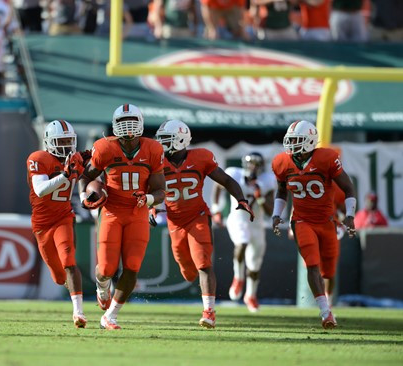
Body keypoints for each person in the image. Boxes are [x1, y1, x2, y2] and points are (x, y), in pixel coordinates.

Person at [153, 120, 254, 328]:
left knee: (203, 263)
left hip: (198, 216)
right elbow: (151, 188)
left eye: (166, 139)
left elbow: (226, 180)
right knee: (188, 271)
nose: (161, 144)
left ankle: (209, 311)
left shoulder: (201, 157)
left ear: (180, 140)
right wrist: (152, 207)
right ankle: (204, 298)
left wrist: (241, 199)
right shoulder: (157, 161)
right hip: (175, 221)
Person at [78, 103, 166, 330]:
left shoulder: (153, 149)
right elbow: (86, 177)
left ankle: (111, 316)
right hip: (112, 211)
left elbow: (160, 191)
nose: (128, 127)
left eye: (133, 121)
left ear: (142, 123)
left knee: (132, 266)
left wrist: (147, 199)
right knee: (106, 268)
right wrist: (84, 196)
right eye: (123, 121)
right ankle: (102, 285)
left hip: (137, 213)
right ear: (115, 125)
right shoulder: (105, 148)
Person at [271, 120, 357, 330]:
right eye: (290, 141)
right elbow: (282, 190)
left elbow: (348, 188)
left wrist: (350, 215)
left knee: (328, 272)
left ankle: (329, 306)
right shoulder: (282, 162)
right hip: (301, 220)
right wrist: (276, 214)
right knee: (312, 263)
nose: (292, 146)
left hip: (327, 222)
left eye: (297, 141)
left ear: (310, 141)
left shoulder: (326, 158)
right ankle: (325, 313)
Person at [26, 119, 88, 328]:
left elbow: (90, 172)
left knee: (69, 261)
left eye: (69, 141)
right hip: (42, 223)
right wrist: (64, 174)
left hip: (64, 217)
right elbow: (41, 190)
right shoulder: (38, 158)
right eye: (61, 141)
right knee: (58, 276)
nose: (66, 146)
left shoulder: (74, 159)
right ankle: (65, 286)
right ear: (49, 142)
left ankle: (78, 313)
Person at [211, 151, 275, 313]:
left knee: (254, 266)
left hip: (256, 224)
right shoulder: (235, 173)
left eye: (256, 164)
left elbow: (269, 211)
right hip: (238, 219)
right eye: (250, 163)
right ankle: (238, 277)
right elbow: (218, 186)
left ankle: (250, 295)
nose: (252, 167)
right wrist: (217, 210)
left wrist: (259, 196)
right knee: (242, 243)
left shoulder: (267, 181)